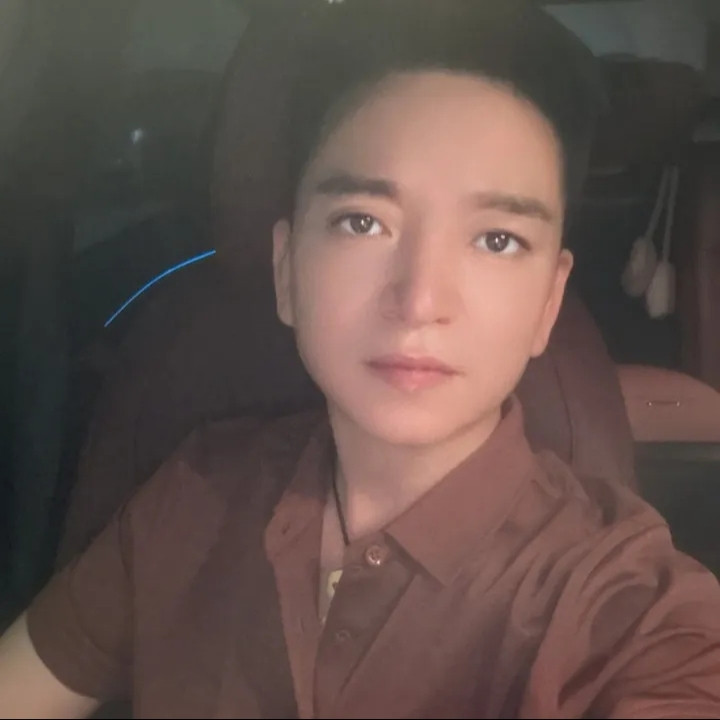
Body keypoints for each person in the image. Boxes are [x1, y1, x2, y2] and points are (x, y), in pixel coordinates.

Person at [2, 1, 720, 717]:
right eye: (363, 222)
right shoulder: (193, 497)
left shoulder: (621, 605)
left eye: (497, 239)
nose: (419, 300)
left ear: (548, 302)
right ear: (287, 269)